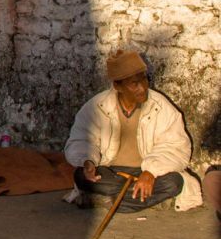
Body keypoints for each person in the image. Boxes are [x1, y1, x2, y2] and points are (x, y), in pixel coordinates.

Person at [64, 50, 201, 212]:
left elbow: (176, 146)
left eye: (144, 79)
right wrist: (88, 161)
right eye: (134, 83)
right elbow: (82, 139)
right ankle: (135, 199)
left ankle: (108, 203)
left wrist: (151, 172)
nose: (143, 87)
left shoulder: (161, 106)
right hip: (110, 172)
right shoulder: (97, 107)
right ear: (118, 86)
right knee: (80, 176)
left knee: (174, 182)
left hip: (147, 171)